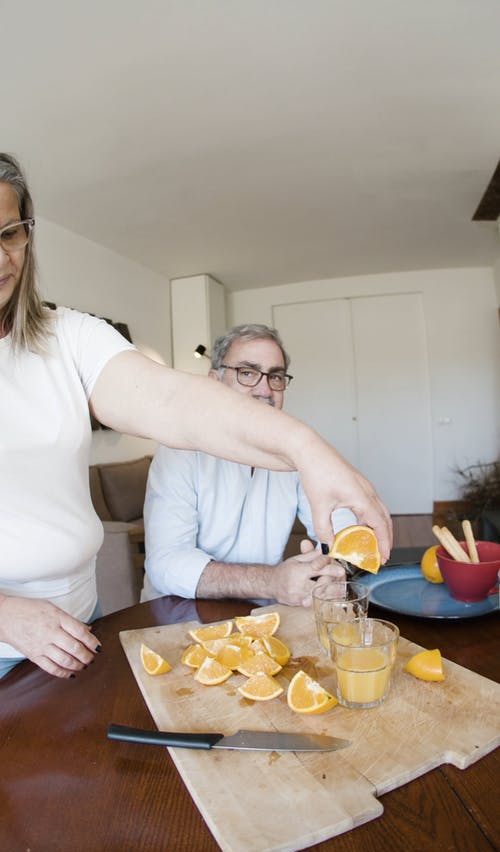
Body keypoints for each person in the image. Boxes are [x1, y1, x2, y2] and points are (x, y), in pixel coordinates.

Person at [0, 152, 392, 681]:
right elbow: (167, 564)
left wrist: (309, 452)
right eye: (246, 374)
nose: (0, 257)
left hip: (73, 622)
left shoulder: (68, 335)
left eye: (8, 234)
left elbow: (169, 401)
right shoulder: (181, 461)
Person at [143, 324, 358, 606]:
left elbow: (340, 523)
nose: (264, 390)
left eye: (276, 376)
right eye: (247, 373)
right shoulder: (179, 450)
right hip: (179, 612)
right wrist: (272, 581)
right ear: (214, 381)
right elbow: (167, 563)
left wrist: (335, 568)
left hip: (264, 612)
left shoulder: (295, 450)